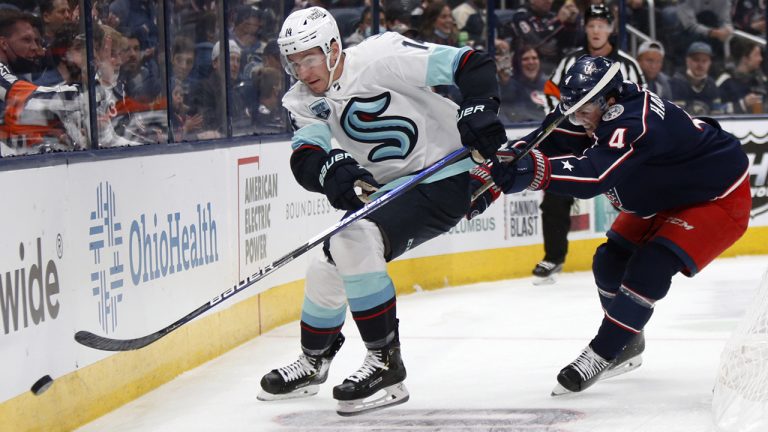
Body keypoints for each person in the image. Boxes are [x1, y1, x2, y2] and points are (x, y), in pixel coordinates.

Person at [257, 6, 505, 415]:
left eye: (310, 57)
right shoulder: (303, 100)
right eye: (294, 61)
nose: (303, 70)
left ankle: (386, 361)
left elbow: (470, 63)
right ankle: (314, 361)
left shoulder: (382, 56)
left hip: (448, 175)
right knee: (329, 262)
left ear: (334, 48)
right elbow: (307, 156)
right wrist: (327, 170)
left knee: (351, 237)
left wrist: (479, 107)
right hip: (393, 190)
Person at [483, 55, 750, 395]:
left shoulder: (632, 121)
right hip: (663, 189)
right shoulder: (598, 105)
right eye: (574, 109)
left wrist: (532, 173)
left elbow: (596, 174)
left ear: (609, 100)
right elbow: (549, 135)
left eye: (585, 111)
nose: (580, 120)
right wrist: (506, 163)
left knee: (650, 267)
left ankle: (603, 351)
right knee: (607, 262)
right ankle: (628, 342)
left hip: (717, 195)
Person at [536, 3, 646, 285]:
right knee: (556, 192)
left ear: (610, 29)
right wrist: (571, 120)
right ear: (585, 28)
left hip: (614, 139)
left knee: (632, 192)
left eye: (602, 25)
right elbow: (551, 93)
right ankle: (554, 257)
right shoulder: (570, 61)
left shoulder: (628, 65)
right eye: (591, 25)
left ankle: (640, 252)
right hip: (575, 138)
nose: (596, 30)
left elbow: (641, 101)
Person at [670, 41, 723, 115]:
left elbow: (717, 114)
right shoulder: (677, 82)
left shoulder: (711, 84)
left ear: (709, 63)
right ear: (688, 61)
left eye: (704, 61)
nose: (700, 65)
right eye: (696, 60)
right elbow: (678, 117)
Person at [716, 39, 766, 114]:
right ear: (745, 59)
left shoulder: (760, 80)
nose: (760, 59)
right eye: (756, 55)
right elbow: (715, 109)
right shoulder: (725, 80)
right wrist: (743, 104)